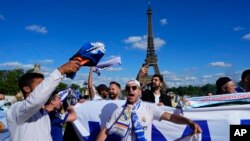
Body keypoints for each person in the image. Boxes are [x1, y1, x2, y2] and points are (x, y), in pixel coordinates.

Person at [97, 79, 202, 141]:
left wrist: (189, 122)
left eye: (134, 88)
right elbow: (105, 131)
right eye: (128, 88)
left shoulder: (149, 108)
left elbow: (170, 117)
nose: (130, 90)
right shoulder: (119, 111)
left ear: (140, 92)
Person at [6, 60, 81, 141]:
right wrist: (61, 71)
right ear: (26, 88)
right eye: (40, 84)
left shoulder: (44, 113)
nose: (44, 87)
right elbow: (35, 100)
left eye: (44, 84)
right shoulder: (16, 109)